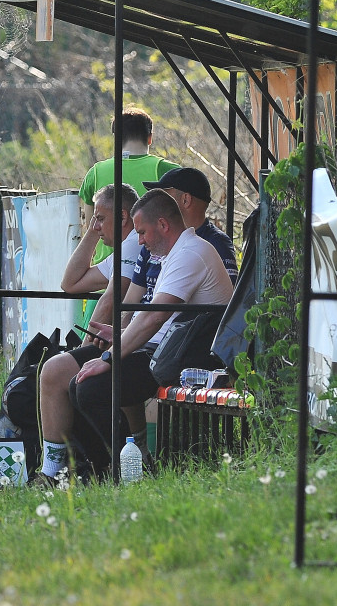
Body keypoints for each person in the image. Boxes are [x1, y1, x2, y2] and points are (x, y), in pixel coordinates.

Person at [34, 169, 237, 485]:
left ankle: (122, 472)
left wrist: (109, 358)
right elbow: (150, 319)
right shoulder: (175, 251)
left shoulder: (191, 252)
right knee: (79, 382)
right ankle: (107, 469)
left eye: (141, 232)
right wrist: (118, 339)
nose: (138, 241)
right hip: (169, 352)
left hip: (192, 360)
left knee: (90, 387)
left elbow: (154, 318)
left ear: (163, 225)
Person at [76, 106, 179, 334]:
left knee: (88, 352)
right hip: (150, 283)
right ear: (150, 137)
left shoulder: (95, 173)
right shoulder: (167, 170)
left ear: (115, 138)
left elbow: (89, 226)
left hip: (103, 279)